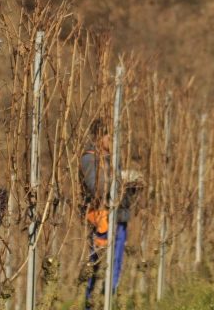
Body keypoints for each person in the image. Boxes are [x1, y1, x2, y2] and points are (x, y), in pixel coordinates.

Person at [79, 118, 138, 303]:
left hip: (118, 218)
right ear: (99, 137)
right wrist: (120, 181)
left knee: (116, 265)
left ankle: (108, 301)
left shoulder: (111, 159)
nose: (113, 140)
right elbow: (98, 189)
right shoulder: (90, 159)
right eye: (109, 136)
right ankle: (93, 303)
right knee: (98, 266)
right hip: (101, 220)